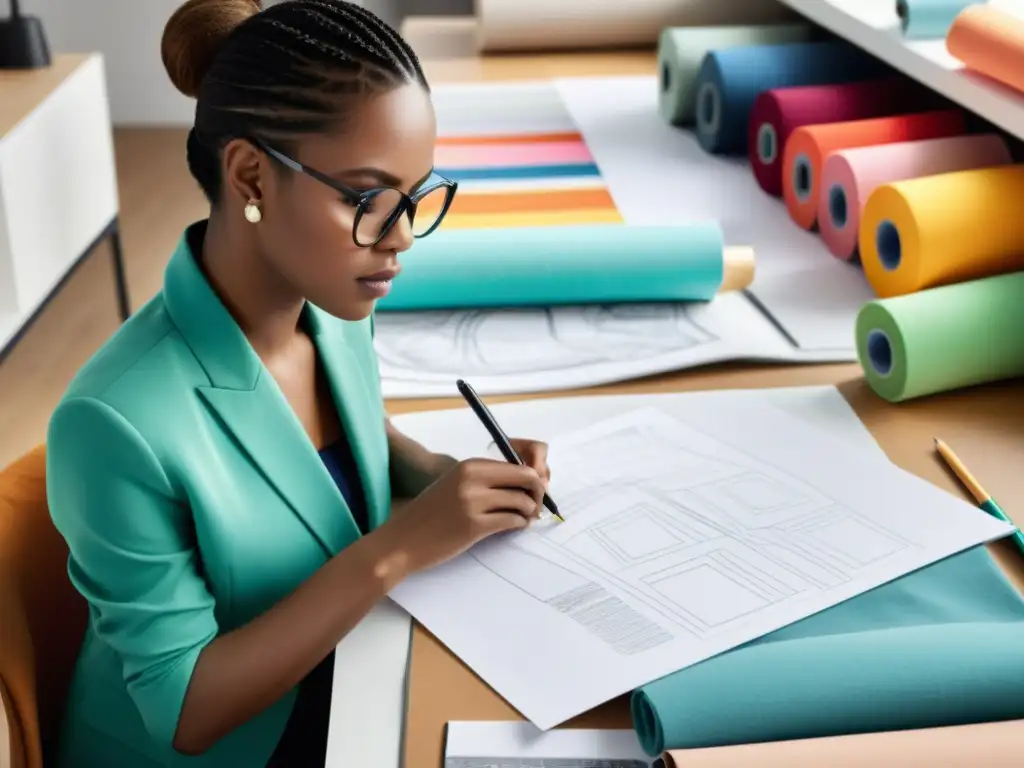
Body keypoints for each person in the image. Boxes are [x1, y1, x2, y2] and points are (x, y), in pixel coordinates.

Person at [44, 1, 552, 766]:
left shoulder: (336, 311)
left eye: (413, 197)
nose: (402, 235)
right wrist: (400, 547)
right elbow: (183, 712)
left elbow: (326, 446)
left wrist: (441, 476)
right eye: (365, 198)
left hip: (358, 679)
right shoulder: (112, 423)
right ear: (250, 174)